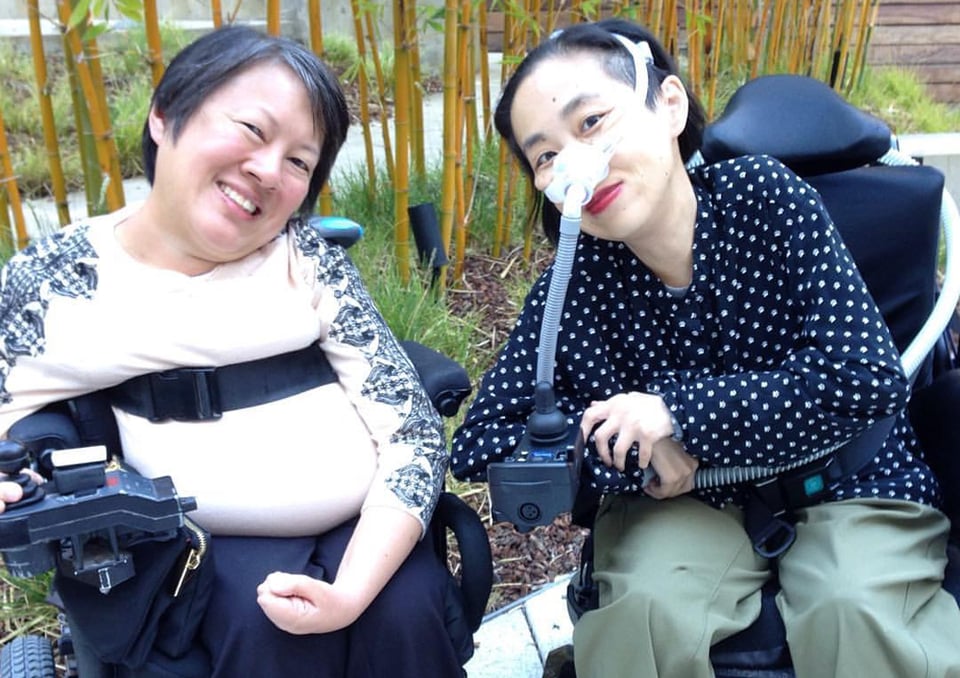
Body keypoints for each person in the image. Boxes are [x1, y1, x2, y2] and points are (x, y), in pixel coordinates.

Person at [451, 17, 960, 678]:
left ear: (667, 104)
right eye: (544, 155)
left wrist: (677, 413)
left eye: (591, 123)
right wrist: (627, 447)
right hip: (680, 510)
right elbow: (481, 441)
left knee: (855, 613)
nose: (575, 162)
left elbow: (866, 377)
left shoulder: (766, 200)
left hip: (849, 481)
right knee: (648, 619)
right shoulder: (574, 286)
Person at [0, 25, 463, 678]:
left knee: (406, 611)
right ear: (165, 116)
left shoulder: (307, 260)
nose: (270, 170)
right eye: (252, 128)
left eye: (300, 161)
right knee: (263, 628)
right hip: (196, 547)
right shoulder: (59, 279)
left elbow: (411, 427)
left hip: (367, 526)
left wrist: (353, 588)